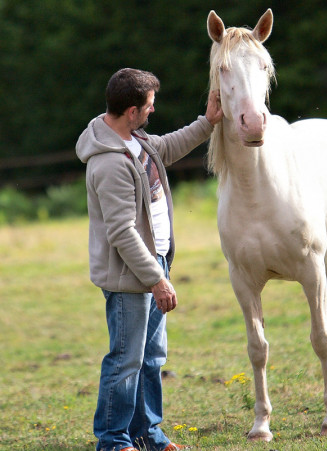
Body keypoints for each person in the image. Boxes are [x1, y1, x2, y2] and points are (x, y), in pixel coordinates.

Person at [76, 68, 222, 451]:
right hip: (131, 275)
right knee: (126, 360)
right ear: (130, 111)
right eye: (149, 107)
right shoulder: (108, 163)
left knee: (152, 357)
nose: (152, 112)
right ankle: (112, 440)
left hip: (154, 263)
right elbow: (122, 232)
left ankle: (147, 434)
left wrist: (207, 122)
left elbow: (170, 145)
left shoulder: (138, 140)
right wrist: (157, 279)